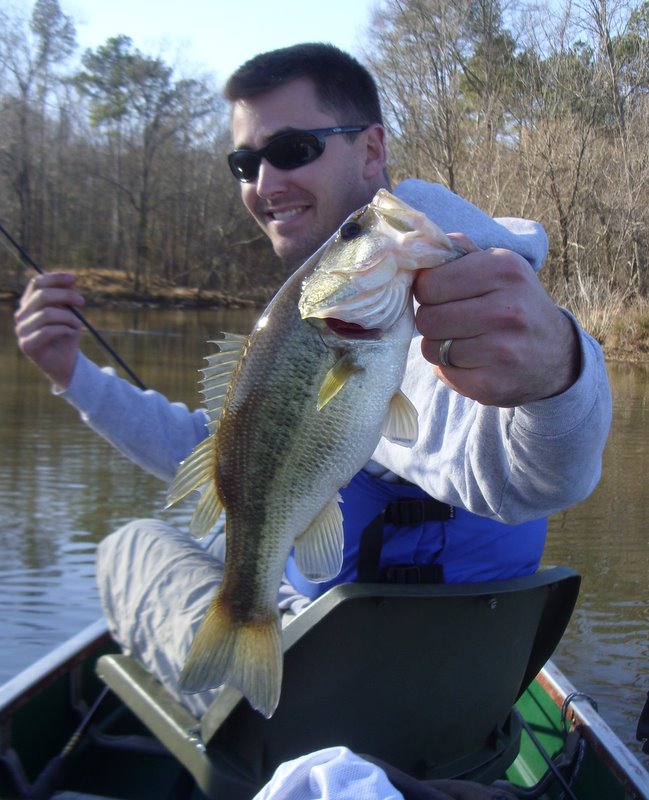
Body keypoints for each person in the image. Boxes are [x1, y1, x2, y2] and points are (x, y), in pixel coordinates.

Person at [14, 43, 611, 718]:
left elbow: (523, 478)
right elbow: (227, 454)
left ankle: (252, 708)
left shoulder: (431, 320)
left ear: (371, 150)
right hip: (474, 695)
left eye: (293, 149)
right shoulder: (331, 317)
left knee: (132, 546)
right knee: (231, 532)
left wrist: (560, 378)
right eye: (245, 163)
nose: (264, 183)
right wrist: (73, 375)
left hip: (336, 699)